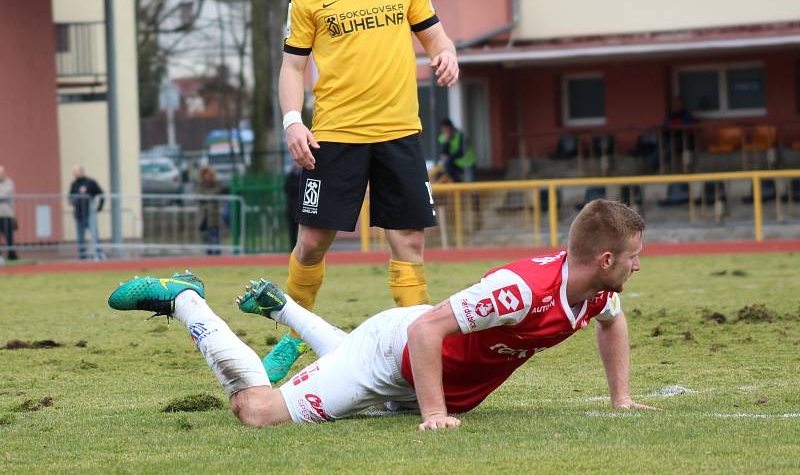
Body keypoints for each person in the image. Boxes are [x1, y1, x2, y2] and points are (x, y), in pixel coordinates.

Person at [108, 199, 656, 430]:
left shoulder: (598, 291)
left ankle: (289, 317)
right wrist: (434, 414)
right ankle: (185, 298)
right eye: (634, 258)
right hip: (391, 359)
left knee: (343, 372)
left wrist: (621, 398)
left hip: (408, 377)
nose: (639, 267)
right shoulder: (519, 291)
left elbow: (614, 324)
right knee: (255, 411)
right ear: (606, 259)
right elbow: (424, 329)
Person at [272, 0, 459, 382]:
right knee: (312, 243)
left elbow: (437, 38)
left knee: (408, 243)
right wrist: (294, 120)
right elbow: (293, 66)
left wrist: (446, 55)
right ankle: (293, 336)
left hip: (400, 133)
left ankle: (416, 348)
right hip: (335, 135)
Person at [68, 165, 105, 260]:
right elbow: (70, 197)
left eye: (76, 171)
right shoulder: (74, 184)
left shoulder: (90, 182)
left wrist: (99, 207)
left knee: (94, 235)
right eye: (73, 172)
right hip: (78, 214)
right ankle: (82, 256)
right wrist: (72, 201)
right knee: (80, 238)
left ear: (81, 171)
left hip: (89, 214)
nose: (74, 173)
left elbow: (101, 194)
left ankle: (97, 255)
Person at [438, 118, 476, 183]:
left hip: (468, 161)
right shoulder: (442, 137)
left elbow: (461, 152)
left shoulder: (460, 135)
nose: (445, 131)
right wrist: (447, 141)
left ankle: (472, 192)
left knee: (470, 183)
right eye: (443, 129)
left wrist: (449, 157)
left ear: (450, 127)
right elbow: (444, 152)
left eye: (446, 128)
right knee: (449, 169)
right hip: (455, 163)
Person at [196, 165, 223, 255]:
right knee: (205, 236)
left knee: (215, 235)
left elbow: (216, 192)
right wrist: (208, 196)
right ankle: (209, 254)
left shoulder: (216, 184)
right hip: (204, 216)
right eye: (205, 174)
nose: (207, 176)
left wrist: (206, 196)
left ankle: (217, 253)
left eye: (208, 174)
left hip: (214, 215)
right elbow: (199, 195)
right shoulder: (200, 185)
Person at [0, 165, 18, 261]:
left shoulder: (9, 182)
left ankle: (12, 256)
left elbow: (6, 194)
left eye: (1, 172)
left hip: (7, 214)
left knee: (9, 236)